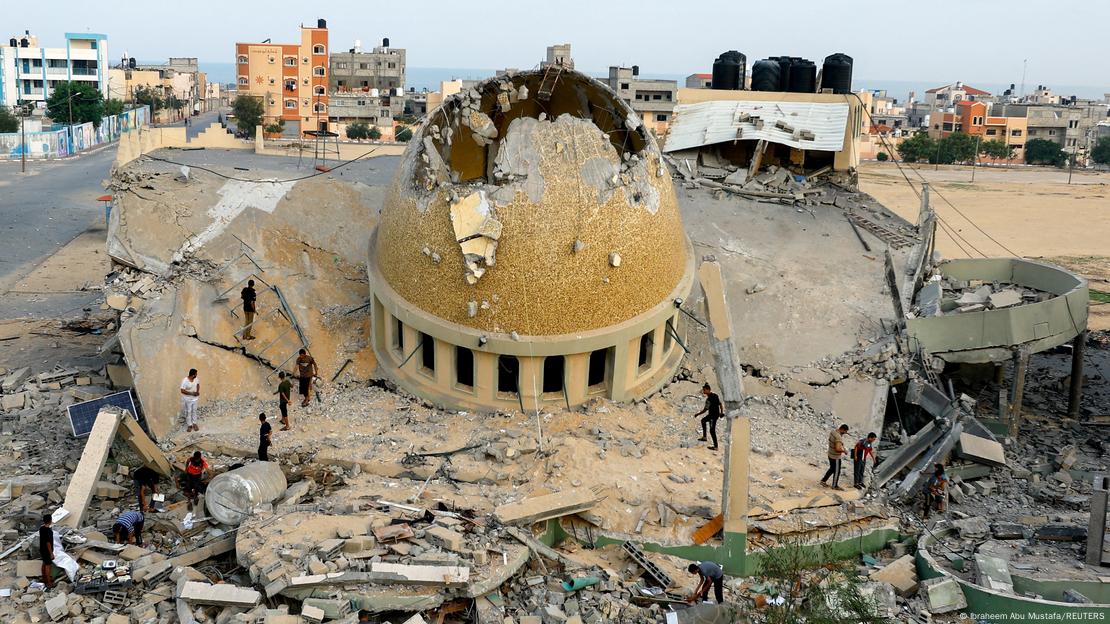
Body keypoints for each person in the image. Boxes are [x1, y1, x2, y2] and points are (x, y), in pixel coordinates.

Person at [692, 383, 723, 451]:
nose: (703, 391)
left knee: (712, 430)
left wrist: (698, 414)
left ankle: (716, 447)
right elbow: (720, 404)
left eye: (704, 390)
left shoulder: (709, 399)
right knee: (703, 420)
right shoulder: (715, 395)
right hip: (714, 415)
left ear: (708, 390)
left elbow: (705, 409)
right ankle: (704, 437)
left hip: (713, 416)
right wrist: (721, 412)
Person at [821, 424, 849, 490]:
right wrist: (844, 451)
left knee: (832, 469)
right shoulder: (838, 437)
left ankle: (823, 481)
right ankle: (834, 485)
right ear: (842, 429)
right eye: (845, 432)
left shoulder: (833, 432)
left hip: (830, 454)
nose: (845, 433)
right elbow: (837, 449)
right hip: (835, 457)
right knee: (837, 471)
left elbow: (832, 441)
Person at [39, 513, 54, 589]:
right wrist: (51, 553)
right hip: (47, 550)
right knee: (48, 566)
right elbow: (48, 543)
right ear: (50, 521)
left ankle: (44, 578)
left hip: (42, 549)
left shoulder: (41, 528)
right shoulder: (48, 531)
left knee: (44, 563)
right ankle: (49, 582)